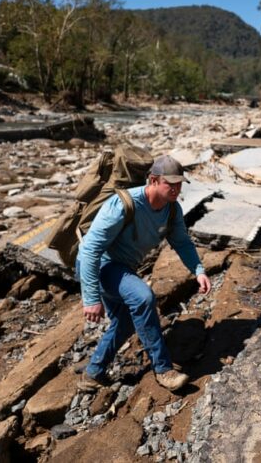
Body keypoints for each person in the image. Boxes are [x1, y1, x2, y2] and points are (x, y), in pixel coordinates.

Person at [76, 155, 211, 392]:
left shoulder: (171, 210)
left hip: (123, 268)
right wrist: (91, 298)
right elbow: (89, 250)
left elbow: (182, 243)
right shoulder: (123, 205)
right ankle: (163, 369)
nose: (176, 189)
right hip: (100, 265)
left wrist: (198, 270)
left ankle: (92, 373)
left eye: (179, 184)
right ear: (153, 180)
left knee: (126, 321)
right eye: (170, 184)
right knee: (143, 297)